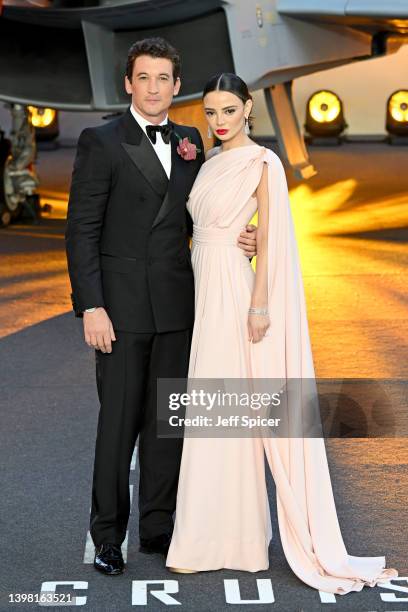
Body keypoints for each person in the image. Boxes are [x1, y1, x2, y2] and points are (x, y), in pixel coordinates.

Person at [165, 73, 399, 595]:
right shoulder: (207, 161)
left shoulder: (263, 161)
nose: (220, 120)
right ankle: (223, 539)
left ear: (249, 108)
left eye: (229, 110)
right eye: (212, 112)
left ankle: (226, 542)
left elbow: (268, 238)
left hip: (234, 294)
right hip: (203, 287)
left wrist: (260, 304)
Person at [65, 39, 257, 576]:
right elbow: (81, 230)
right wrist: (91, 307)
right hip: (121, 311)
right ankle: (108, 536)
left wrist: (250, 235)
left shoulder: (193, 139)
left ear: (177, 87)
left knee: (165, 425)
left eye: (163, 78)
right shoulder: (100, 141)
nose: (153, 88)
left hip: (179, 306)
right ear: (129, 83)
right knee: (118, 426)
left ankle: (158, 527)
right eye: (143, 77)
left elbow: (209, 213)